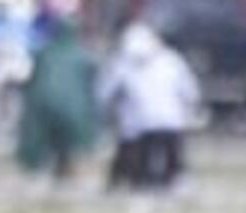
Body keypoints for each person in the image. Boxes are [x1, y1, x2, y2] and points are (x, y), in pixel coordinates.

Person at [99, 21, 200, 191]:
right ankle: (166, 178)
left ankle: (161, 178)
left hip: (148, 126)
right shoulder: (171, 60)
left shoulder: (127, 64)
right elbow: (190, 91)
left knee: (149, 166)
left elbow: (104, 93)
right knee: (153, 168)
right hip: (161, 124)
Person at [14, 10, 99, 181]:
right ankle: (63, 174)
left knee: (48, 148)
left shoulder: (44, 53)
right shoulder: (83, 56)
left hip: (45, 110)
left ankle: (50, 173)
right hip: (72, 112)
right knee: (67, 150)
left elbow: (31, 82)